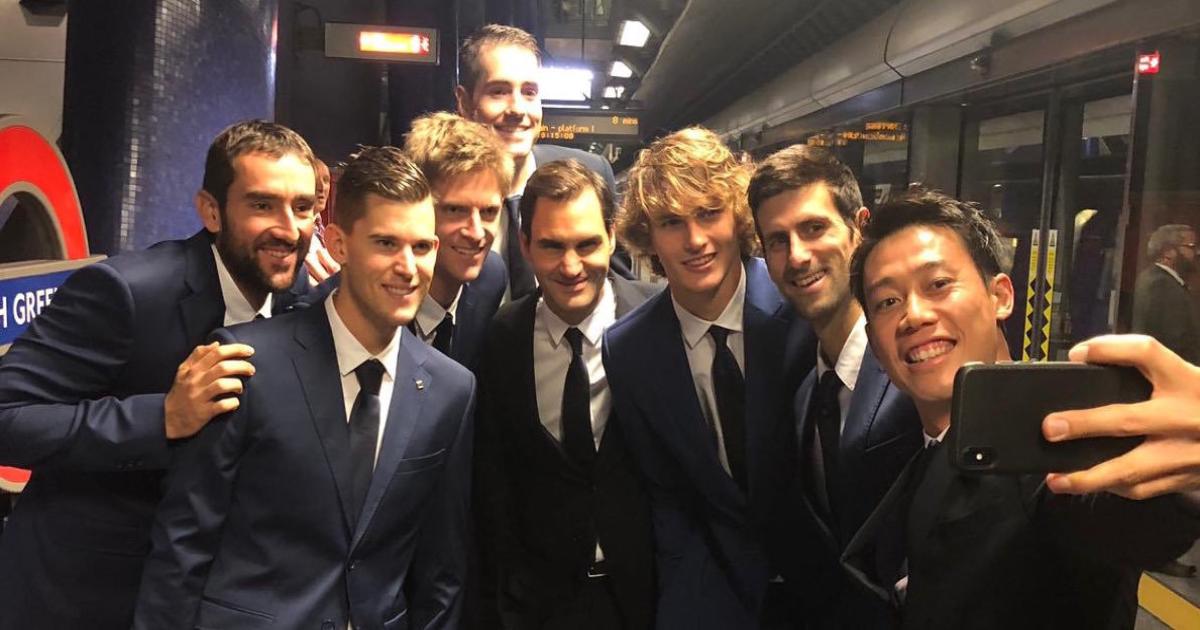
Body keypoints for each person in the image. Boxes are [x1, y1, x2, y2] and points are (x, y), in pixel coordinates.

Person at [134, 146, 475, 629]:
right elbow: (183, 545)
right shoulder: (246, 362)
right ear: (338, 244)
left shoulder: (451, 390)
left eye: (421, 247)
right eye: (385, 243)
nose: (407, 266)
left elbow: (442, 568)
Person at [0, 120, 318, 629]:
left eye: (303, 208)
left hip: (212, 596)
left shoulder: (300, 301)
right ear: (211, 211)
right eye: (262, 205)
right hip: (84, 597)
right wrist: (162, 418)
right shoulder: (126, 292)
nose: (288, 228)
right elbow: (8, 417)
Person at [842, 190, 1200, 629]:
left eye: (937, 284)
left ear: (1001, 296)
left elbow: (1125, 516)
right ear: (874, 344)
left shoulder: (1052, 445)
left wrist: (1186, 470)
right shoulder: (915, 444)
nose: (913, 315)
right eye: (887, 302)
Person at [602, 127, 815, 629]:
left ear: (738, 216)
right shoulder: (629, 350)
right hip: (708, 591)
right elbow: (665, 495)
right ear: (647, 237)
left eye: (708, 213)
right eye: (671, 222)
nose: (695, 240)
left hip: (819, 585)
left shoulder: (801, 310)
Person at [474, 159, 658, 630]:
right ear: (525, 245)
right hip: (539, 608)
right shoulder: (502, 338)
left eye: (587, 244)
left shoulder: (658, 322)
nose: (571, 266)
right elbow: (495, 485)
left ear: (612, 237)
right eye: (552, 246)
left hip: (649, 599)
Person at [748, 145, 921, 628]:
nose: (797, 256)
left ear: (858, 228)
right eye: (777, 241)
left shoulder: (914, 360)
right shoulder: (795, 364)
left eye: (813, 228)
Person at [455, 24, 632, 299]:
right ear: (465, 103)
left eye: (529, 92)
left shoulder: (591, 173)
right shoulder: (443, 192)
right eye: (498, 91)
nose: (518, 109)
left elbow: (621, 290)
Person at [403, 111, 511, 371]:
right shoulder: (372, 291)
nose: (476, 233)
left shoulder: (490, 278)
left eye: (489, 212)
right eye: (455, 210)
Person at [1132, 224, 1199, 364]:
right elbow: (1173, 339)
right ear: (1168, 252)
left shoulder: (1152, 278)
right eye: (1191, 247)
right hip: (1171, 369)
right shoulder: (1161, 284)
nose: (1197, 252)